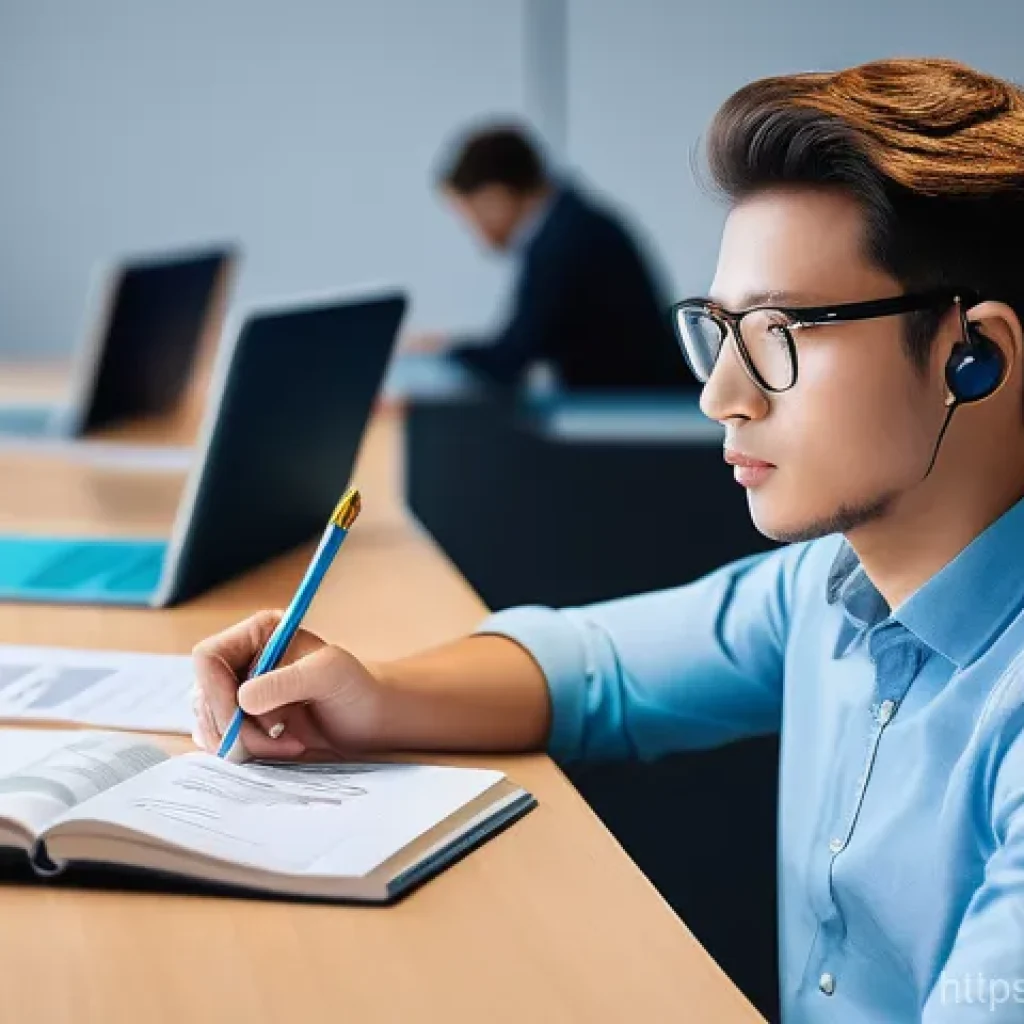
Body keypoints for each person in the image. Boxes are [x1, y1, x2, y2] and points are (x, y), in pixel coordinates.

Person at [193, 58, 1024, 1022]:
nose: (722, 395)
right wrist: (365, 697)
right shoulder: (829, 589)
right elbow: (596, 669)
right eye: (720, 329)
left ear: (977, 359)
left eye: (780, 330)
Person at [410, 123, 692, 391]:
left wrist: (444, 351)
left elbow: (511, 358)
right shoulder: (573, 221)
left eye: (470, 215)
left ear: (495, 197)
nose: (474, 231)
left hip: (629, 409)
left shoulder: (561, 241)